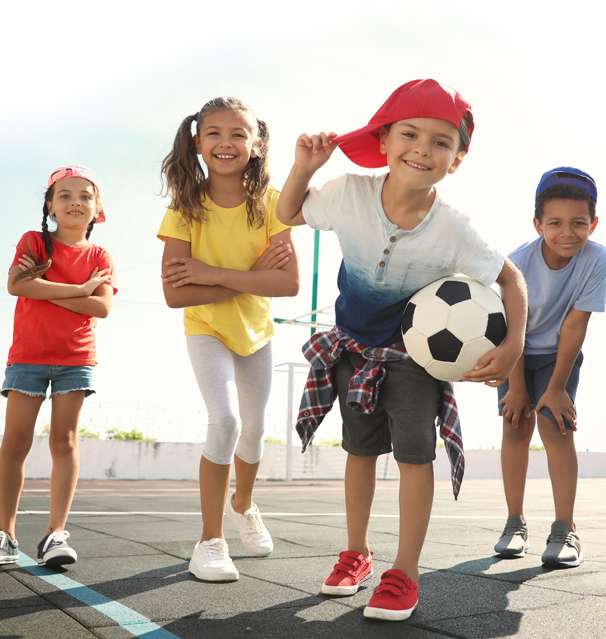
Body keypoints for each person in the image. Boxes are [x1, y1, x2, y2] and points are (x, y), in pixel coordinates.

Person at [276, 79, 528, 621]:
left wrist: (512, 344)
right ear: (384, 140)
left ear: (457, 160)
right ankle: (357, 554)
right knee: (359, 452)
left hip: (414, 361)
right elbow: (288, 213)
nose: (422, 149)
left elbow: (512, 279)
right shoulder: (348, 193)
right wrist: (303, 168)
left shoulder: (454, 230)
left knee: (415, 458)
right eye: (410, 134)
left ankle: (405, 572)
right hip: (351, 352)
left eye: (441, 142)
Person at [157, 97, 300, 582]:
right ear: (198, 142)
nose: (226, 142)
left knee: (254, 429)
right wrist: (250, 275)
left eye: (238, 134)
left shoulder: (271, 204)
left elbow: (287, 283)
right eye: (215, 133)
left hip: (255, 331)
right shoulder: (185, 208)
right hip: (206, 328)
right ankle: (210, 542)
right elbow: (176, 294)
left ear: (256, 145)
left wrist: (212, 273)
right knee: (226, 422)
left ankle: (243, 504)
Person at [0, 165, 116, 568]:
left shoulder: (100, 256)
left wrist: (46, 289)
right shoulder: (34, 241)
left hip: (76, 359)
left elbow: (101, 306)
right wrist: (78, 289)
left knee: (64, 442)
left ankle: (55, 534)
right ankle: (4, 537)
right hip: (28, 357)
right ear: (50, 205)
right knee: (15, 441)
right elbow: (17, 284)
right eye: (64, 195)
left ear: (98, 208)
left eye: (85, 196)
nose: (74, 202)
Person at [493, 167, 606, 568]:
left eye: (579, 223)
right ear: (538, 224)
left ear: (593, 223)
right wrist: (517, 388)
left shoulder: (598, 259)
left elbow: (575, 325)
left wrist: (556, 388)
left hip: (559, 353)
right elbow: (510, 328)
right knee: (515, 426)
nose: (567, 232)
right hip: (515, 349)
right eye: (555, 223)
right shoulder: (516, 263)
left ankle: (565, 529)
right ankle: (514, 524)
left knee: (554, 426)